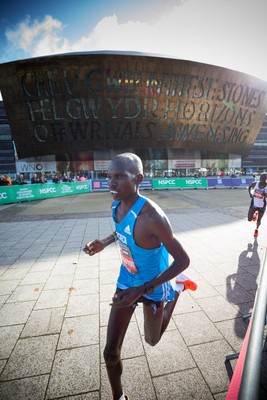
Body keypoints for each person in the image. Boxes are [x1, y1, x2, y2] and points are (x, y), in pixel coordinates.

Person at [84, 152, 197, 400]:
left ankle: (176, 289)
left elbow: (183, 260)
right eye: (109, 176)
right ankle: (119, 397)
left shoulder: (153, 217)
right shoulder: (116, 204)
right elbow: (121, 232)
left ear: (139, 178)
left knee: (152, 341)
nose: (111, 183)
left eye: (119, 177)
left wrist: (145, 288)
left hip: (154, 284)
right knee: (110, 353)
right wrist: (104, 242)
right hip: (127, 280)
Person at [247, 172, 267, 237]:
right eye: (261, 177)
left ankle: (256, 229)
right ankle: (254, 215)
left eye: (264, 177)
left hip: (262, 206)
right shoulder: (255, 183)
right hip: (254, 204)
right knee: (249, 219)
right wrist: (250, 194)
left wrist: (266, 195)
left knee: (259, 220)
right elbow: (249, 187)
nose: (262, 178)